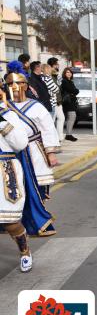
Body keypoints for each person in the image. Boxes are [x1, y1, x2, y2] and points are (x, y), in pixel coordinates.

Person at [3, 61, 60, 203]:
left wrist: (50, 153)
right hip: (13, 151)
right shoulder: (4, 106)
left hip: (34, 150)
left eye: (18, 83)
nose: (14, 87)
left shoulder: (36, 106)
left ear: (26, 86)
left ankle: (37, 218)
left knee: (37, 189)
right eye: (10, 84)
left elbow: (48, 129)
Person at [0, 99, 35, 272]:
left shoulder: (8, 115)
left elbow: (21, 144)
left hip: (5, 170)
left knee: (11, 222)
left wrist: (1, 123)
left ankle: (25, 252)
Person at [47, 57, 66, 142]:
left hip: (58, 101)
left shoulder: (56, 75)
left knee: (61, 118)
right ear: (52, 65)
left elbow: (60, 86)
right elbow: (53, 88)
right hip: (52, 101)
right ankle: (53, 139)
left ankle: (60, 137)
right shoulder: (49, 75)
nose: (58, 66)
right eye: (56, 64)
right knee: (52, 120)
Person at [60, 67, 79, 142]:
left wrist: (75, 91)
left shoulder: (70, 81)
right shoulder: (64, 81)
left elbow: (75, 91)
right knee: (71, 116)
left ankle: (69, 134)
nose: (69, 73)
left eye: (70, 72)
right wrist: (75, 91)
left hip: (72, 101)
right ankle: (68, 134)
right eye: (67, 72)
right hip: (68, 102)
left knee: (71, 118)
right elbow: (73, 90)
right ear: (64, 73)